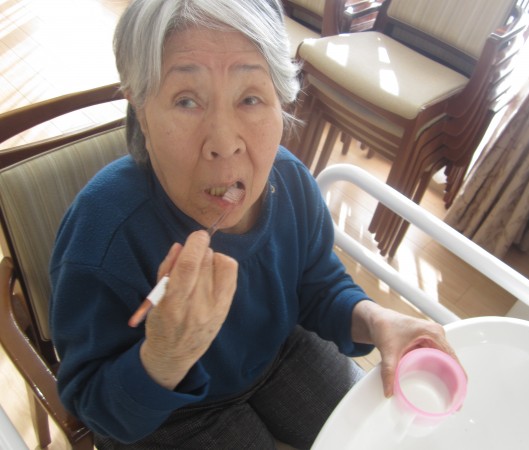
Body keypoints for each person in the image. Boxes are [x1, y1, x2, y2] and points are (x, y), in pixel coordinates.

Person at [49, 0, 461, 448]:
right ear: (140, 111)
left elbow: (318, 283)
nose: (224, 143)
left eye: (250, 98)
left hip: (282, 353)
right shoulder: (102, 236)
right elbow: (91, 404)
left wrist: (376, 319)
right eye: (186, 100)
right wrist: (163, 358)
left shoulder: (290, 183)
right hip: (169, 414)